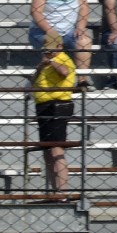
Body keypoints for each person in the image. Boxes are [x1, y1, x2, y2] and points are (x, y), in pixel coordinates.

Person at [29, 0, 92, 87]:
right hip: (43, 30)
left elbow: (84, 7)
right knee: (53, 41)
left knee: (84, 41)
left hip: (68, 30)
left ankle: (82, 80)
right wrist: (50, 31)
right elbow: (36, 12)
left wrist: (80, 27)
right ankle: (48, 81)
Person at [32, 32, 76, 198]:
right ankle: (53, 190)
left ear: (59, 46)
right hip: (43, 106)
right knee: (47, 150)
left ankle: (62, 191)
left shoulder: (63, 59)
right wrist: (41, 65)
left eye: (50, 49)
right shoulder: (46, 63)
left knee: (56, 148)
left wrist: (51, 61)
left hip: (58, 106)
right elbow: (34, 80)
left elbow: (64, 72)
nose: (47, 52)